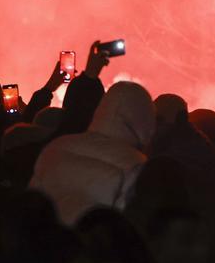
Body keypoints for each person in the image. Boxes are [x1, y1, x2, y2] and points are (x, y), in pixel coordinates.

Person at [30, 81, 156, 224]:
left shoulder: (56, 147)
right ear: (145, 120)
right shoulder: (137, 166)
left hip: (43, 242)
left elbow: (30, 205)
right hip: (96, 245)